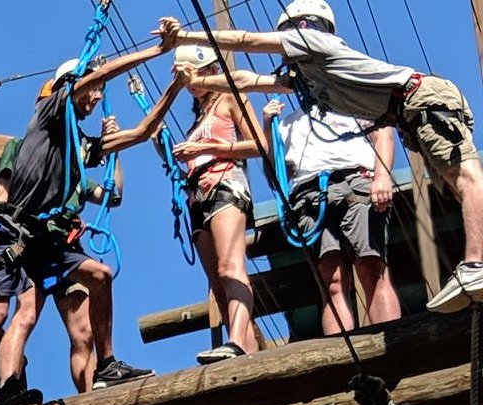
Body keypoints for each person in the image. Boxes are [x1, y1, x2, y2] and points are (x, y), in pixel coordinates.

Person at [160, 0, 483, 312]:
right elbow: (248, 80)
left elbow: (246, 39)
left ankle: (477, 262)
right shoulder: (308, 77)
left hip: (418, 99)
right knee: (455, 184)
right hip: (408, 112)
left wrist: (187, 36)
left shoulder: (313, 42)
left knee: (465, 177)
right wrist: (197, 80)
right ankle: (476, 262)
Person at [0, 31, 185, 405]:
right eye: (92, 91)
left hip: (46, 240)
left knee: (100, 274)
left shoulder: (77, 147)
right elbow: (95, 78)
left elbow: (141, 134)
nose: (97, 98)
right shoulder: (50, 113)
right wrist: (155, 51)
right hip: (14, 233)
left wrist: (175, 87)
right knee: (5, 311)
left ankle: (107, 364)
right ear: (69, 88)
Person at [264, 96, 401, 332]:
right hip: (309, 196)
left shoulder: (352, 100)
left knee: (371, 267)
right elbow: (276, 177)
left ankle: (392, 346)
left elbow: (383, 136)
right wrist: (268, 130)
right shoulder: (287, 123)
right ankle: (343, 360)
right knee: (332, 280)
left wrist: (382, 176)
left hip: (354, 181)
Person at [172, 43, 266, 364]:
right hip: (197, 196)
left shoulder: (230, 98)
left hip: (226, 184)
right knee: (217, 283)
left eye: (196, 75)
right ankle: (242, 351)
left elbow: (259, 144)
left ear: (211, 70)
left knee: (230, 268)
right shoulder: (196, 120)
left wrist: (209, 146)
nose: (192, 84)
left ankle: (237, 342)